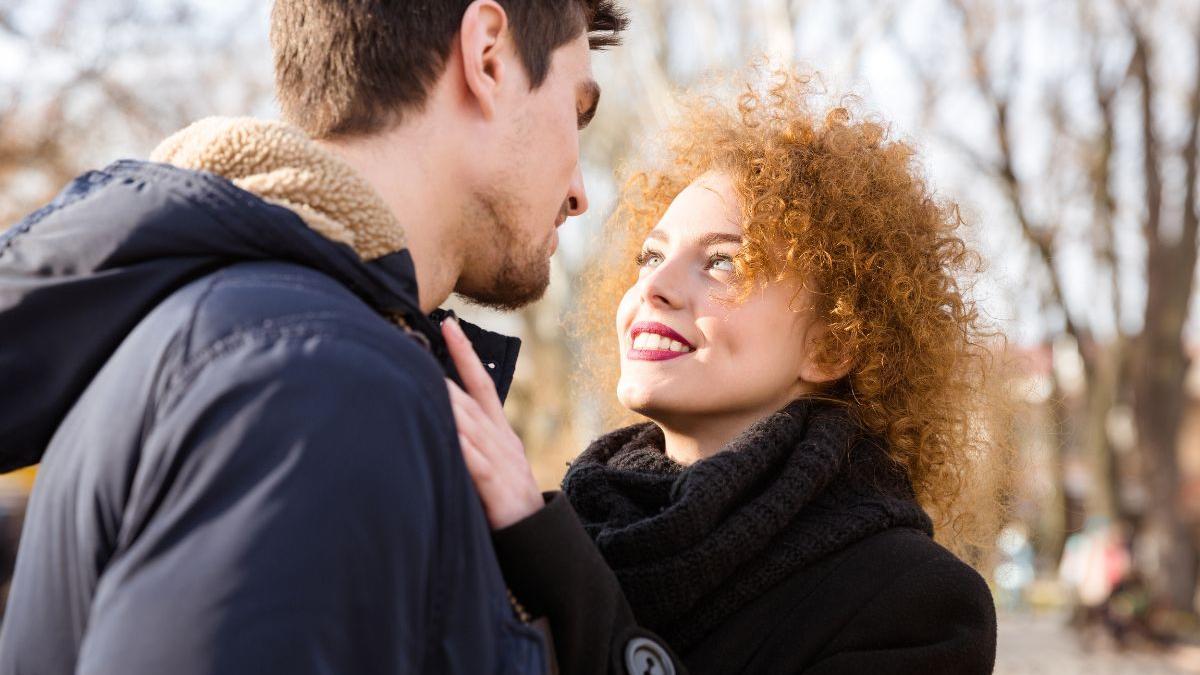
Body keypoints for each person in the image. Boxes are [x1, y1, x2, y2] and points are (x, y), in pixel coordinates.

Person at [0, 1, 629, 672]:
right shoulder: (316, 384)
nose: (579, 192)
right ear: (488, 58)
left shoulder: (249, 335)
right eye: (577, 110)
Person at [444, 68, 1003, 674]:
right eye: (651, 255)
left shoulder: (916, 602)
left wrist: (547, 560)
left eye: (723, 263)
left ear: (833, 343)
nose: (652, 286)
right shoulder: (565, 527)